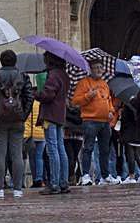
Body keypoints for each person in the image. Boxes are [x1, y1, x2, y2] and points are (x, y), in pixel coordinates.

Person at [0, 50, 33, 198]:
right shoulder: (22, 76)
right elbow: (29, 96)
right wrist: (23, 115)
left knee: (0, 153)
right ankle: (17, 189)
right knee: (17, 154)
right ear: (15, 61)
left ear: (1, 61)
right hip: (17, 119)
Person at [72, 58, 118, 185]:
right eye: (96, 68)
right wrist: (88, 96)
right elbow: (75, 101)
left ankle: (105, 175)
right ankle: (86, 175)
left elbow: (109, 101)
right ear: (90, 70)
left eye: (100, 68)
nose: (99, 70)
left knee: (105, 150)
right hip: (90, 120)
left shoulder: (104, 84)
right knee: (88, 148)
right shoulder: (84, 83)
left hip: (104, 122)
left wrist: (111, 111)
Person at [37, 51, 70, 196]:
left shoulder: (53, 75)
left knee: (52, 149)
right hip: (60, 115)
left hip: (50, 115)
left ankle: (55, 183)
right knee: (60, 148)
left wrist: (36, 93)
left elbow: (48, 95)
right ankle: (64, 182)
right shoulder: (64, 74)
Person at [24, 97, 46, 187]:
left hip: (32, 135)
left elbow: (28, 122)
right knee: (39, 157)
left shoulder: (29, 103)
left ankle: (35, 179)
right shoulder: (41, 103)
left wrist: (26, 135)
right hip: (42, 133)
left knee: (32, 158)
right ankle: (39, 178)